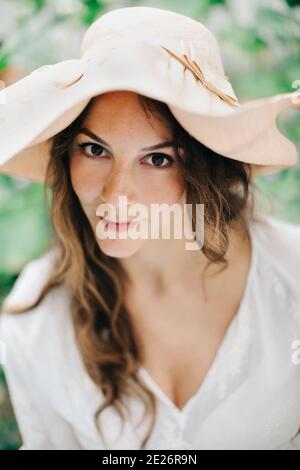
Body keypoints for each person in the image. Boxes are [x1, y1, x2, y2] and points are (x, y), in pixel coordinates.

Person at [0, 6, 300, 450]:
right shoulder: (36, 317)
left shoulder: (291, 275)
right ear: (65, 157)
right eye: (94, 150)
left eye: (158, 158)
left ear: (204, 167)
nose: (117, 193)